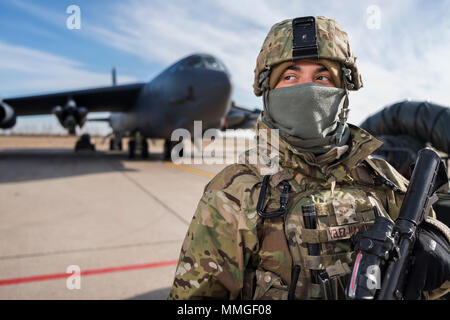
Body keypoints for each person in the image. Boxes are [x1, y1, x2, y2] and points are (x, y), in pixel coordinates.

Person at [168, 16, 450, 300]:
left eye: (322, 77)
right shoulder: (233, 193)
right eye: (290, 77)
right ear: (268, 93)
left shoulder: (387, 180)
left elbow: (434, 287)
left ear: (343, 92)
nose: (307, 90)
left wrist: (439, 259)